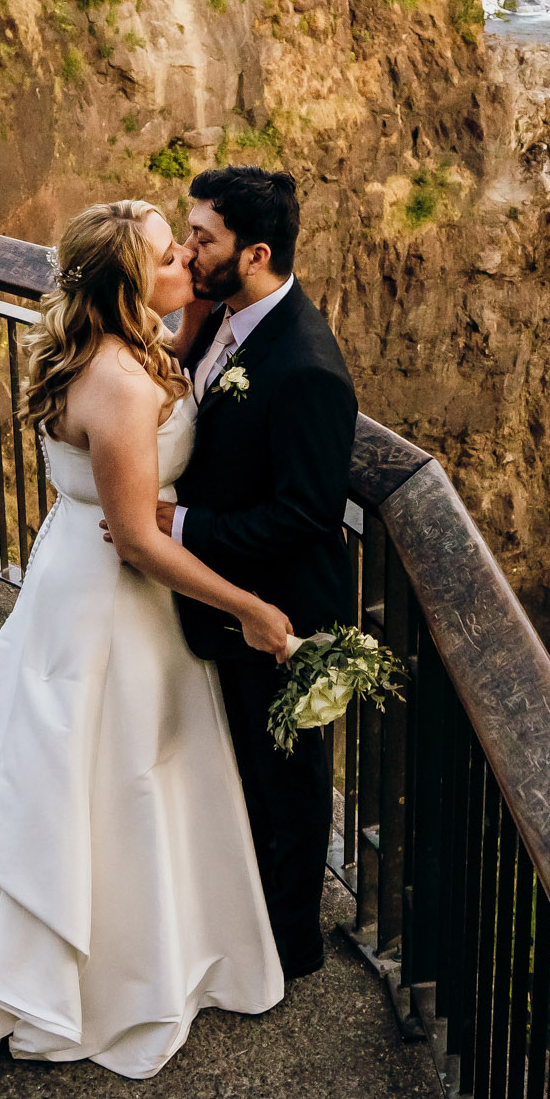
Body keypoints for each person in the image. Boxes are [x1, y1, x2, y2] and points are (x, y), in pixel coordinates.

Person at [0, 199, 294, 1080]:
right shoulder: (117, 382)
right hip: (110, 597)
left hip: (80, 569)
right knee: (102, 770)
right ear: (127, 287)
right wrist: (250, 609)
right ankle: (91, 976)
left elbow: (177, 340)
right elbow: (142, 540)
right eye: (168, 257)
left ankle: (137, 945)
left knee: (116, 771)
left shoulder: (120, 344)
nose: (188, 263)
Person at [157, 166, 358, 980]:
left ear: (256, 252)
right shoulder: (220, 319)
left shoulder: (307, 366)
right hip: (225, 602)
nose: (187, 247)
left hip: (281, 612)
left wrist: (186, 525)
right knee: (241, 769)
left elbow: (307, 513)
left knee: (290, 786)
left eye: (203, 237)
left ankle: (292, 948)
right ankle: (245, 920)